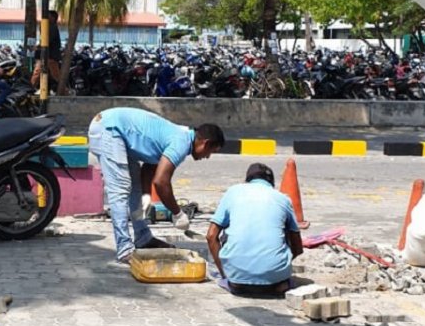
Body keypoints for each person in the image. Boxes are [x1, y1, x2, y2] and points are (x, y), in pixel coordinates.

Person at [88, 108, 225, 262]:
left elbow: (149, 170)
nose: (207, 157)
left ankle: (143, 238)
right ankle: (124, 248)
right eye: (210, 152)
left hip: (114, 129)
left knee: (135, 188)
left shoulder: (180, 138)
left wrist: (145, 200)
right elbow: (161, 182)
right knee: (120, 189)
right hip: (109, 128)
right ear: (205, 143)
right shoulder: (181, 143)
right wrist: (177, 213)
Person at [205, 163, 303, 297]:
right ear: (272, 183)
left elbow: (211, 236)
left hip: (237, 282)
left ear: (247, 181)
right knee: (283, 229)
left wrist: (225, 274)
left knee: (224, 232)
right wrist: (276, 267)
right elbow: (298, 247)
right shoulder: (283, 199)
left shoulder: (233, 192)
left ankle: (230, 275)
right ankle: (274, 276)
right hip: (275, 284)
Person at [31, 10, 62, 90]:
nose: (46, 18)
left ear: (53, 18)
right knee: (38, 72)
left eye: (48, 16)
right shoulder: (49, 27)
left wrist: (38, 47)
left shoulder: (52, 27)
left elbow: (47, 40)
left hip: (50, 56)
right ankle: (31, 88)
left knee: (55, 75)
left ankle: (64, 91)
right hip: (47, 55)